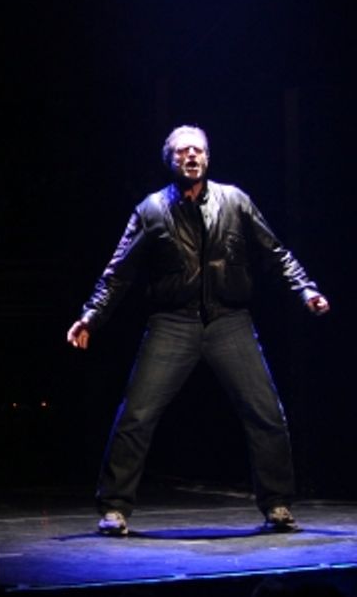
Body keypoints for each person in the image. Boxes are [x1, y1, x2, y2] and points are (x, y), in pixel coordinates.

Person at [66, 125, 330, 537]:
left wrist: (306, 289)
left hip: (229, 320)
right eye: (182, 151)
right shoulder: (151, 210)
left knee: (266, 414)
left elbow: (274, 252)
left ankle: (277, 503)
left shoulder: (235, 200)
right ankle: (115, 507)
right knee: (136, 415)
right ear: (169, 159)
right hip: (173, 321)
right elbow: (119, 273)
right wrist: (91, 316)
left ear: (208, 158)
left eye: (198, 150)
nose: (191, 156)